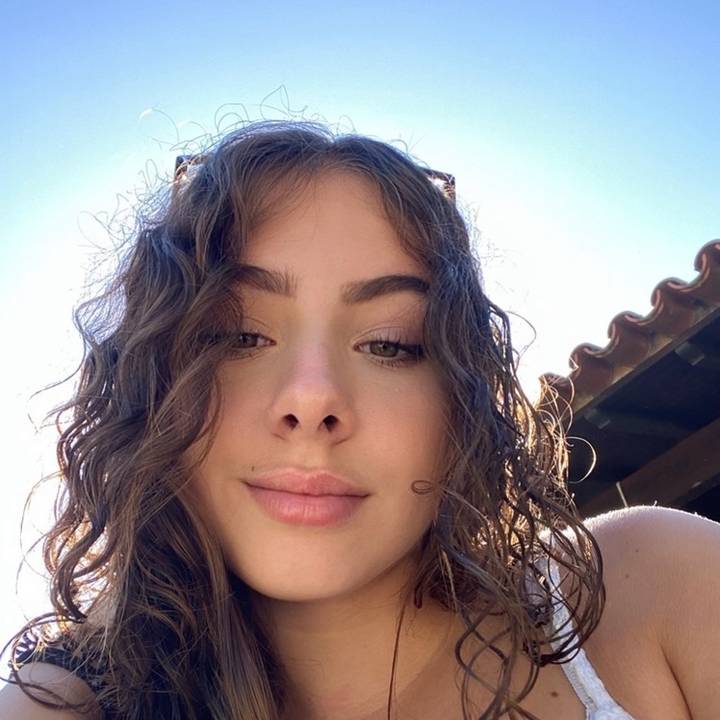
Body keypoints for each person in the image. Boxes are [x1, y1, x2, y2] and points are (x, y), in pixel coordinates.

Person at [1, 119, 717, 720]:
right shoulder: (68, 702)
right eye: (238, 336)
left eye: (390, 344)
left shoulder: (654, 589)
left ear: (461, 400)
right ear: (149, 387)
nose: (312, 399)